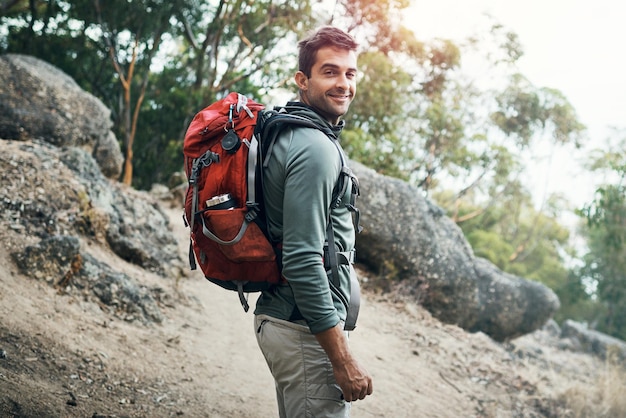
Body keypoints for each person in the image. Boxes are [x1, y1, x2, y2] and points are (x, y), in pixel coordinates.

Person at [253, 26, 373, 417]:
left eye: (350, 73)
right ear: (302, 80)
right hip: (303, 331)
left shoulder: (293, 131)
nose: (343, 84)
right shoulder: (315, 147)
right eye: (330, 72)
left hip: (289, 322)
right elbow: (303, 260)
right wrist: (341, 359)